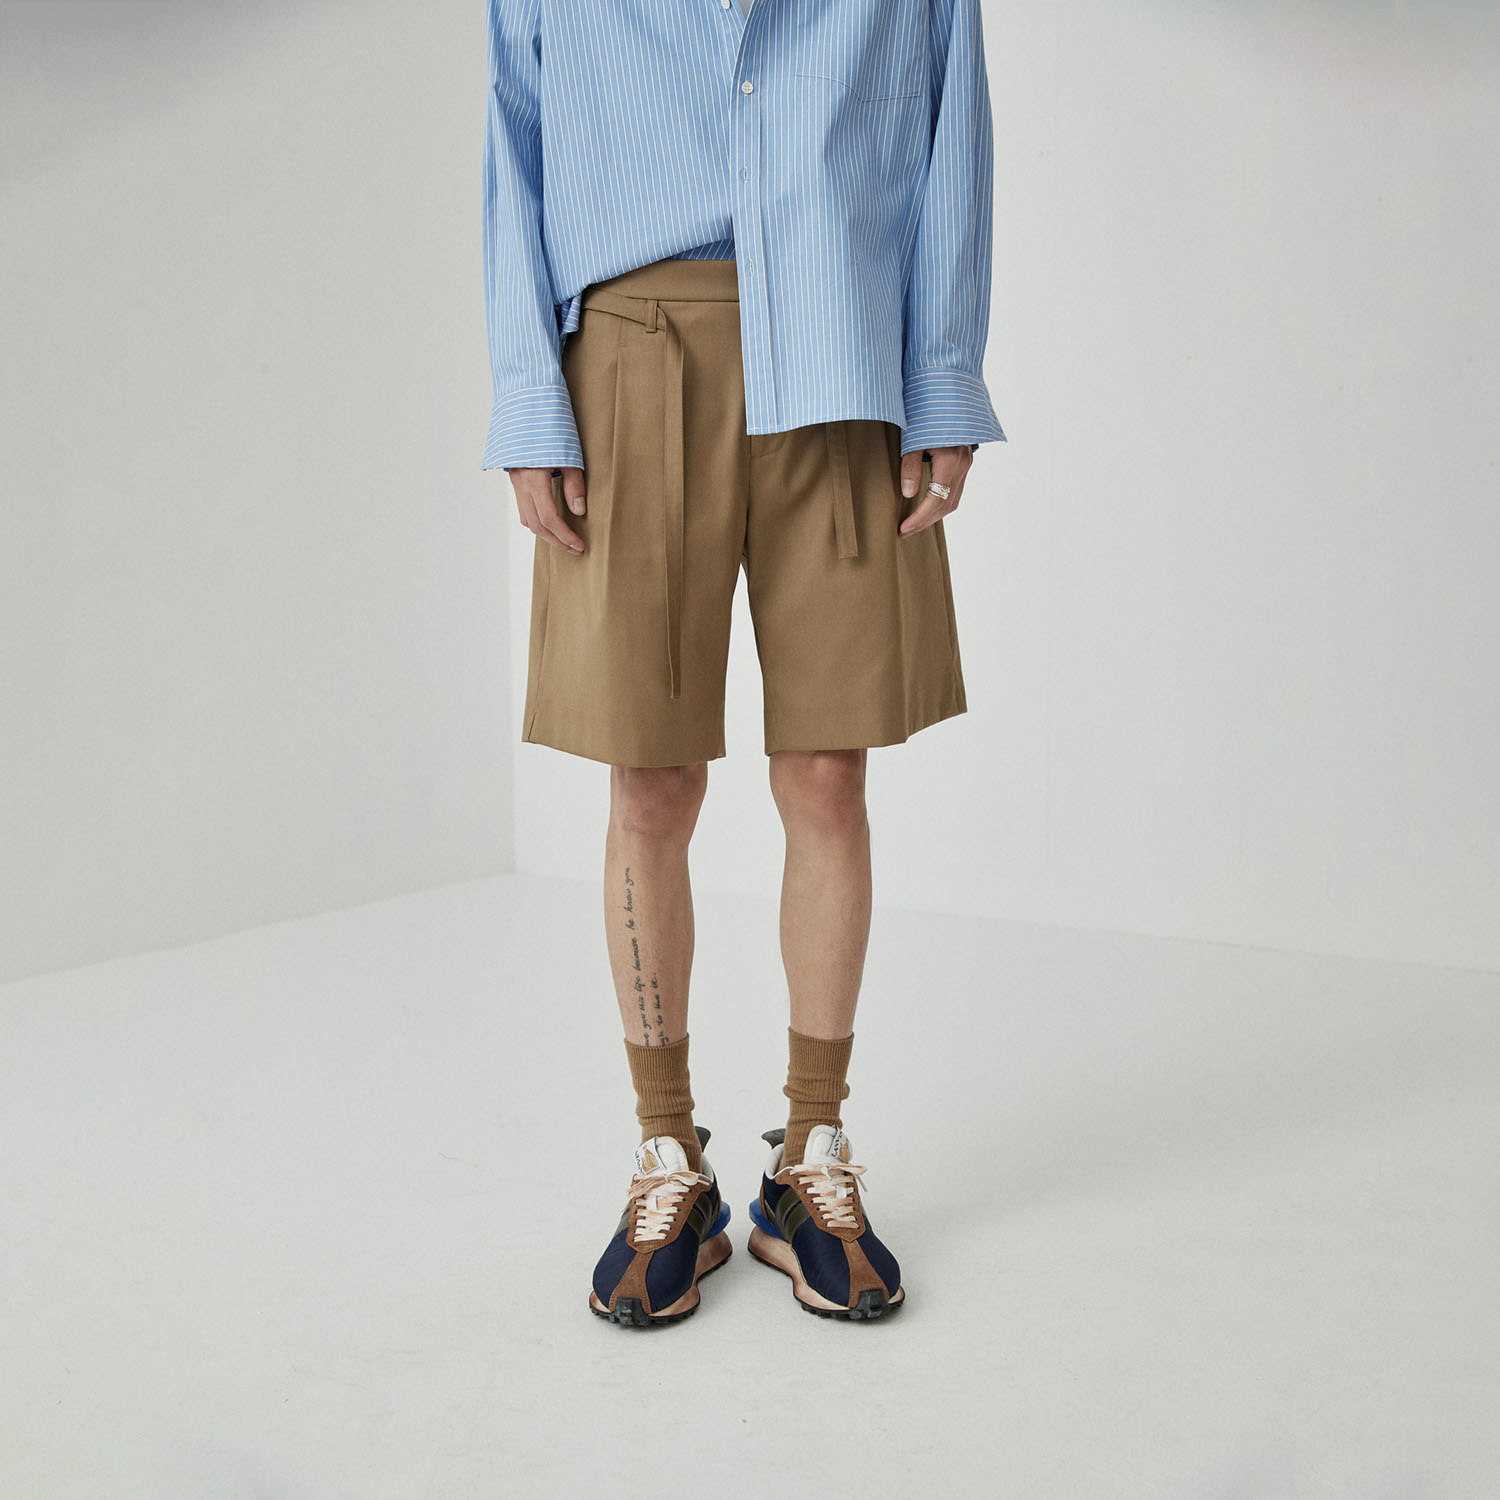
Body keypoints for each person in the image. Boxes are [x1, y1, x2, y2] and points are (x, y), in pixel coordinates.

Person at [481, 0, 1005, 1324]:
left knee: (827, 770)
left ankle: (811, 1153)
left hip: (842, 342)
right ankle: (667, 1155)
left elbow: (953, 135)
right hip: (630, 353)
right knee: (648, 779)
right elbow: (516, 138)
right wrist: (530, 397)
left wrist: (942, 376)